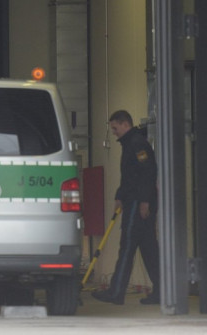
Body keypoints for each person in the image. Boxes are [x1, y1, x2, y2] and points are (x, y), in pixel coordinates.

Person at [92, 110, 161, 305]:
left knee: (128, 246)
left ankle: (116, 292)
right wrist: (120, 196)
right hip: (134, 200)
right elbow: (130, 176)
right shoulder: (131, 143)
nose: (114, 133)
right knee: (149, 249)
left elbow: (148, 172)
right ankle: (162, 291)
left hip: (138, 204)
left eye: (115, 128)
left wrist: (145, 201)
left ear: (124, 124)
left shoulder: (137, 144)